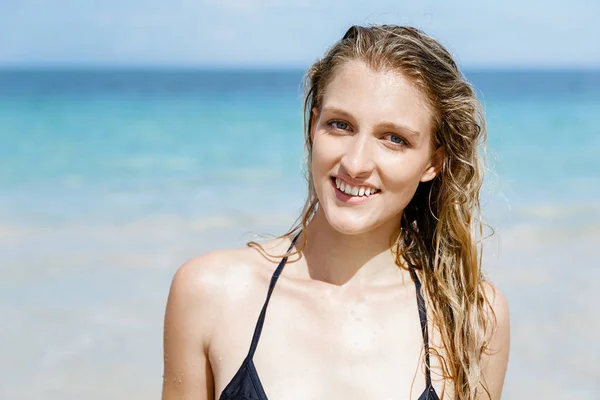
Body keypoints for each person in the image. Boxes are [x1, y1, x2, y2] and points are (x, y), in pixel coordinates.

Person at [161, 24, 510, 400]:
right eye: (340, 125)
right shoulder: (209, 293)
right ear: (313, 127)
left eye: (394, 139)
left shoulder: (471, 318)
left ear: (433, 162)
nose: (356, 163)